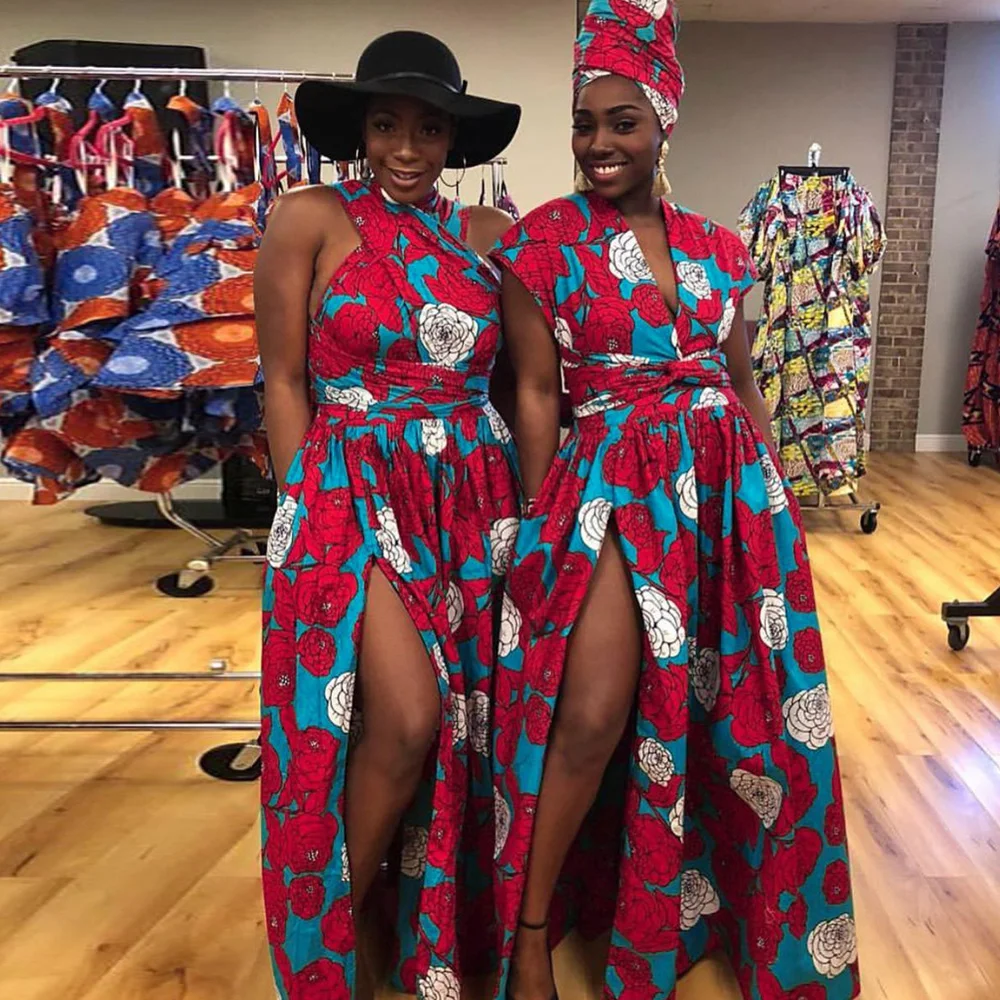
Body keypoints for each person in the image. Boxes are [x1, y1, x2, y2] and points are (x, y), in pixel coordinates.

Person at [490, 3, 859, 999]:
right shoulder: (541, 241)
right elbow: (536, 392)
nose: (598, 144)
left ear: (664, 123)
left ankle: (714, 908)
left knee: (739, 716)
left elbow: (740, 382)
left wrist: (775, 499)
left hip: (728, 495)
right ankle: (529, 932)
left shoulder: (722, 248)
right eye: (584, 124)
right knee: (592, 712)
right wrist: (544, 517)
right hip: (610, 488)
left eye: (623, 122)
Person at [254, 31, 521, 1000]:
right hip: (350, 492)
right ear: (359, 132)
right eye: (385, 125)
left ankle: (390, 929)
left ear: (454, 138)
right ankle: (325, 936)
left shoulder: (491, 234)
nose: (406, 149)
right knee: (406, 720)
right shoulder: (308, 217)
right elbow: (284, 378)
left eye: (428, 129)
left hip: (469, 502)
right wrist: (305, 508)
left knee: (457, 732)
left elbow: (521, 378)